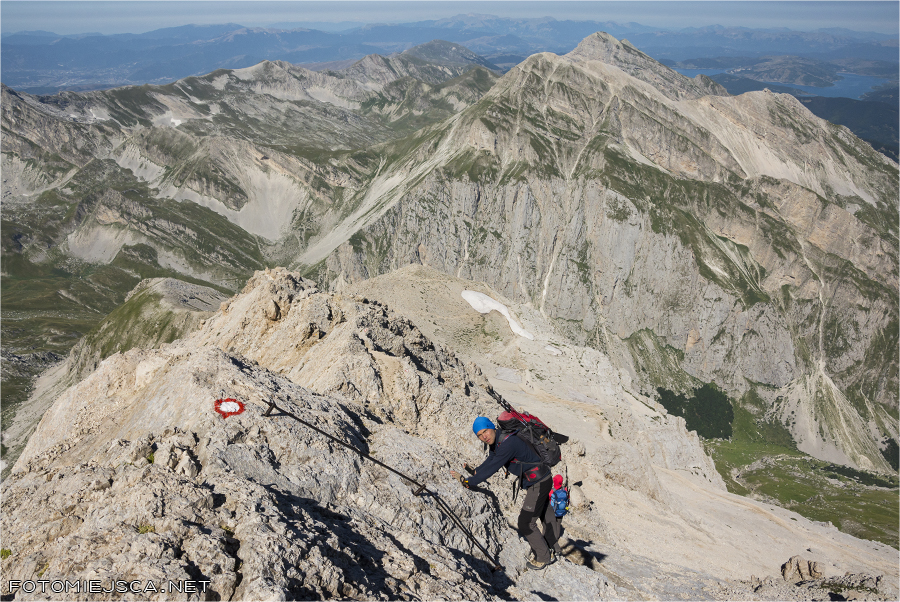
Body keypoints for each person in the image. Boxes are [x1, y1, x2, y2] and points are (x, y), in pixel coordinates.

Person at [450, 416, 560, 570]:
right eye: (479, 435)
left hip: (539, 482)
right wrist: (475, 472)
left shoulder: (508, 443)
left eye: (485, 431)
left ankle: (543, 557)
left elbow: (494, 466)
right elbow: (491, 460)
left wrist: (468, 481)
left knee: (526, 522)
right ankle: (553, 547)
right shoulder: (499, 440)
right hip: (541, 479)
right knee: (545, 514)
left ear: (491, 427)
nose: (484, 437)